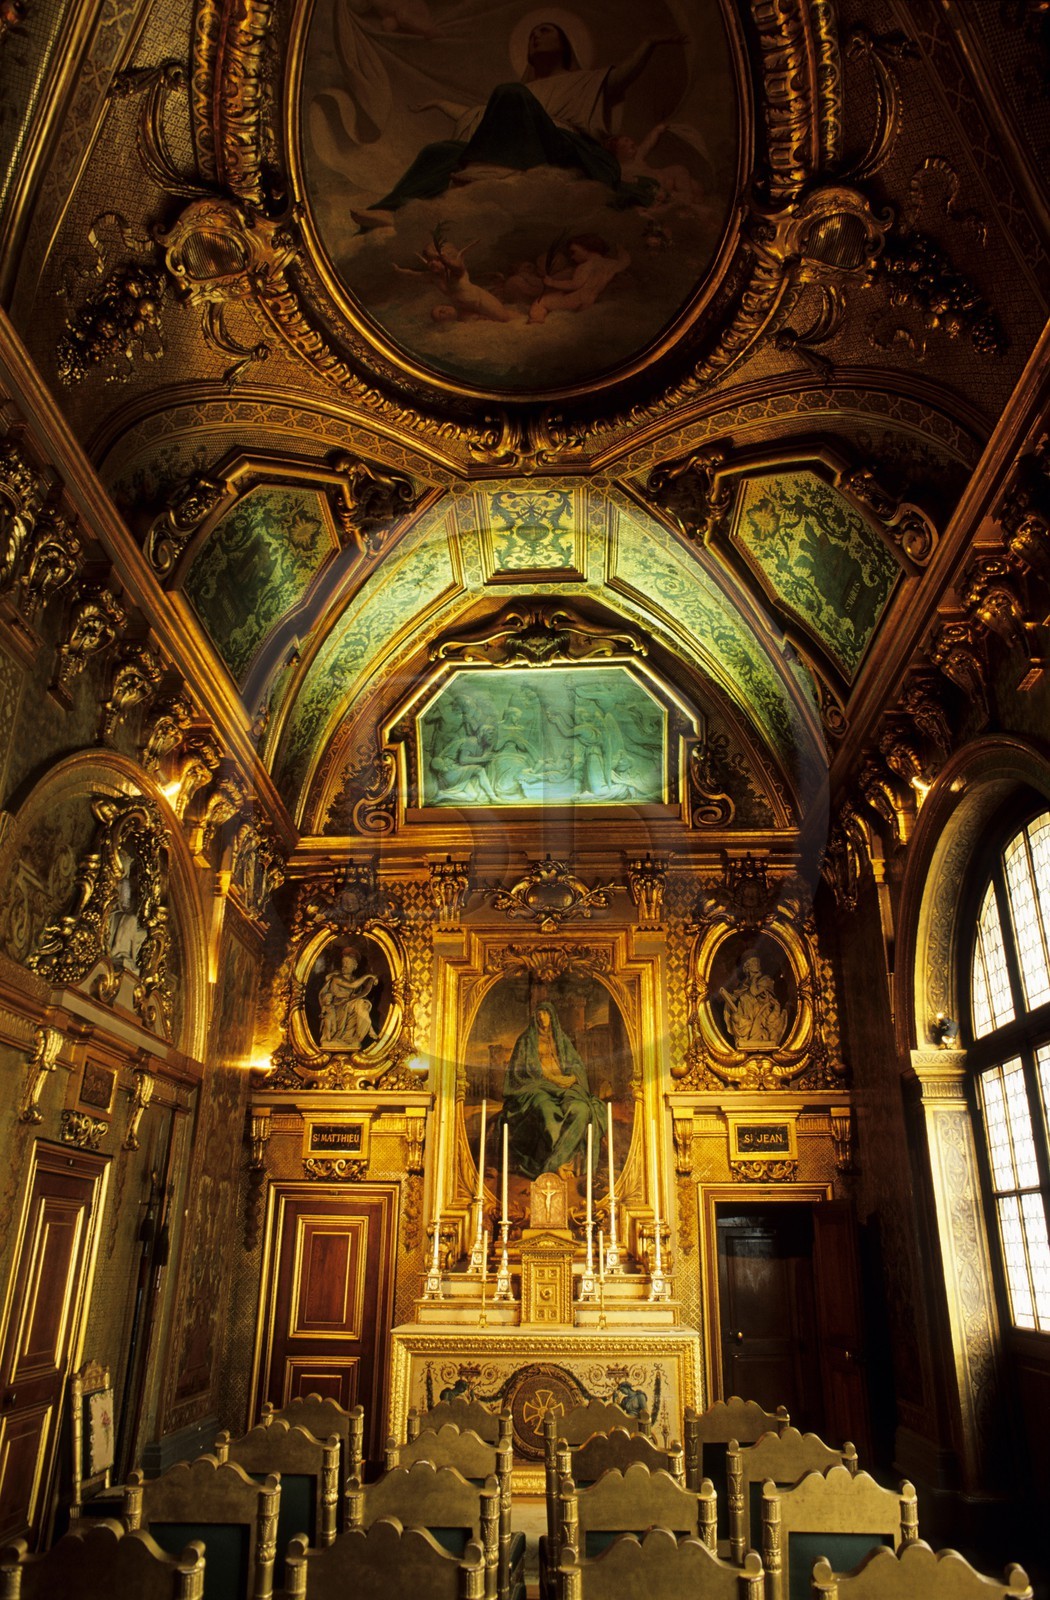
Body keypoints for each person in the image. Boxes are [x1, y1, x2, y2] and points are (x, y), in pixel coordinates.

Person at [350, 22, 683, 227]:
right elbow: (478, 116)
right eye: (532, 35)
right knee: (439, 151)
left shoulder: (585, 81)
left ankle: (485, 171)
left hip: (563, 146)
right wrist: (439, 103)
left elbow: (623, 76)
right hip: (517, 139)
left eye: (545, 31)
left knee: (511, 95)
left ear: (565, 43)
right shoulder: (522, 93)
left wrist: (648, 44)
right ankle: (392, 212)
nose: (535, 37)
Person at [502, 1003, 605, 1180]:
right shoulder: (526, 1040)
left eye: (546, 1013)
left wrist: (572, 1078)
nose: (542, 1017)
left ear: (552, 1016)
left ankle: (553, 1165)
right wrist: (553, 1079)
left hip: (565, 1088)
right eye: (539, 1013)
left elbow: (576, 1064)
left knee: (582, 1110)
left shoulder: (561, 1038)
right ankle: (560, 1166)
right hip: (537, 1087)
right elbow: (520, 1071)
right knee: (548, 1117)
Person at [719, 955, 787, 1049]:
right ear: (747, 967)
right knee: (741, 1002)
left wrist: (755, 978)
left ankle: (755, 1033)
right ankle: (747, 1030)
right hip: (750, 1011)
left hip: (763, 1009)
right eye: (754, 962)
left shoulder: (765, 980)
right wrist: (726, 996)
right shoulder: (744, 984)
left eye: (757, 962)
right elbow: (736, 998)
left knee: (746, 998)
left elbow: (754, 992)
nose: (757, 964)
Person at [319, 948, 378, 1050]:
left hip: (349, 1006)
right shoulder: (337, 978)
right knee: (359, 1003)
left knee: (363, 1004)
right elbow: (352, 985)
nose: (344, 965)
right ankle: (369, 1030)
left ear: (354, 966)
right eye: (343, 962)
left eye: (347, 963)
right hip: (337, 1007)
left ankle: (357, 1037)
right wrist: (369, 975)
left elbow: (360, 994)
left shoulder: (355, 980)